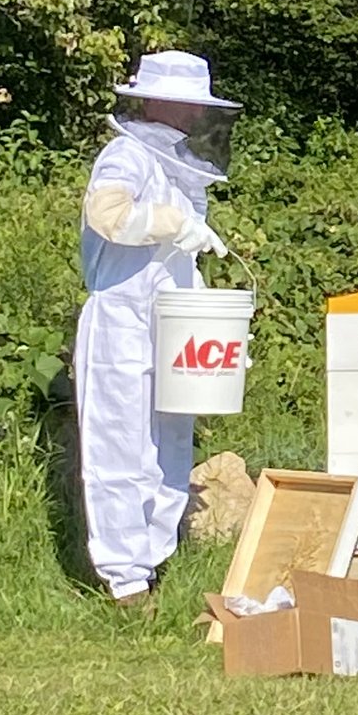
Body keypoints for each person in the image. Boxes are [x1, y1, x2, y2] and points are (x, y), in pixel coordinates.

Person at [75, 50, 241, 601]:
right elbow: (108, 214)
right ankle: (126, 582)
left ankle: (154, 560)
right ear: (157, 100)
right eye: (188, 105)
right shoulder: (125, 154)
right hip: (120, 322)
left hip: (172, 323)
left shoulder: (175, 164)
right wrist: (171, 223)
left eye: (200, 107)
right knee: (118, 447)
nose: (196, 117)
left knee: (170, 445)